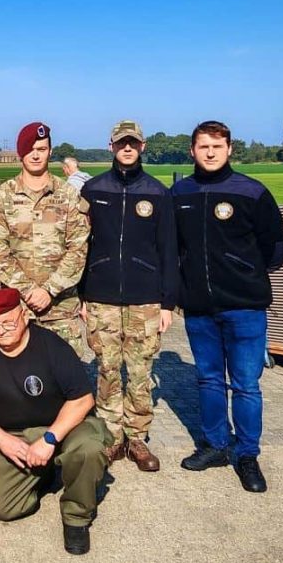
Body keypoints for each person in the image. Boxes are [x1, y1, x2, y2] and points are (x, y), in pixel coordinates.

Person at [171, 120, 283, 493]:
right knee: (208, 379)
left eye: (217, 146)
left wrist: (243, 272)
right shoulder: (180, 193)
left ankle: (247, 454)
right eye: (203, 146)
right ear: (192, 150)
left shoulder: (251, 192)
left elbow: (276, 249)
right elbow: (173, 246)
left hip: (244, 307)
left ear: (229, 149)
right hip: (199, 308)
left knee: (246, 385)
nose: (210, 153)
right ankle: (215, 445)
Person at [0, 288, 111, 556]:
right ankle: (42, 475)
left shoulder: (52, 346)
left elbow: (83, 399)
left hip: (63, 428)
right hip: (15, 436)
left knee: (89, 448)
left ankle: (76, 517)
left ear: (24, 315)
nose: (2, 331)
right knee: (2, 507)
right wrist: (1, 440)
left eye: (8, 322)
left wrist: (50, 439)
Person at [80, 120, 178, 471]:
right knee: (107, 369)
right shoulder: (92, 190)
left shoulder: (157, 192)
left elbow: (169, 250)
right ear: (111, 146)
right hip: (101, 297)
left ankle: (136, 437)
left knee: (139, 372)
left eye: (132, 143)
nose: (127, 148)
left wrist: (168, 303)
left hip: (145, 299)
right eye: (121, 142)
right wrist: (82, 295)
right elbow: (80, 246)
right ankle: (111, 437)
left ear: (142, 146)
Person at [0, 122, 93, 360]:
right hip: (18, 310)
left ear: (50, 152)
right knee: (18, 376)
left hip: (61, 310)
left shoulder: (68, 196)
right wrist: (29, 290)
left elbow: (78, 249)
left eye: (41, 149)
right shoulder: (3, 197)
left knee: (65, 376)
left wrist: (49, 290)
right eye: (30, 149)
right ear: (20, 152)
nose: (35, 155)